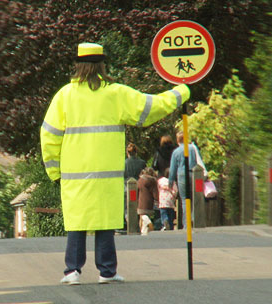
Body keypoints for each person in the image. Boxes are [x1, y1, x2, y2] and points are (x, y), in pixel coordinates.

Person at [40, 42, 190, 285]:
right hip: (106, 175)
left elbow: (48, 135)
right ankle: (107, 271)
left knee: (77, 222)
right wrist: (180, 93)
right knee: (105, 221)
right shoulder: (116, 93)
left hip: (74, 174)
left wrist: (54, 171)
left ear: (77, 65)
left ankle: (72, 271)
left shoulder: (64, 96)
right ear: (102, 65)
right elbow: (150, 107)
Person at [168, 131, 200, 229]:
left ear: (178, 140)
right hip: (192, 173)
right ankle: (195, 219)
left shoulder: (176, 152)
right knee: (194, 198)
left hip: (182, 175)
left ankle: (186, 224)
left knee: (184, 200)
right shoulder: (192, 149)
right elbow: (195, 161)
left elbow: (173, 168)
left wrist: (170, 182)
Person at [137, 167, 159, 235]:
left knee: (141, 217)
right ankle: (145, 230)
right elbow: (155, 193)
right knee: (147, 215)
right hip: (149, 202)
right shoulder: (153, 181)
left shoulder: (140, 180)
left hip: (141, 201)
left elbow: (137, 190)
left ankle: (142, 230)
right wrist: (157, 199)